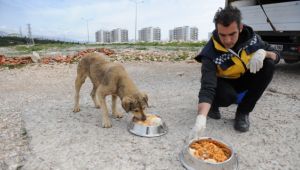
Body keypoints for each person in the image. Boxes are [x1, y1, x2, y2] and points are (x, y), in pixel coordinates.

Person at [189, 6, 280, 139]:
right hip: (222, 83)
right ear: (217, 30)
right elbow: (207, 86)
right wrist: (200, 118)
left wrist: (265, 53)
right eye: (222, 35)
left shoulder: (253, 39)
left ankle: (243, 112)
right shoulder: (209, 52)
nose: (227, 40)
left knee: (269, 65)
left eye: (232, 34)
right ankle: (213, 105)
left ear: (240, 28)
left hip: (242, 78)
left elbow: (277, 56)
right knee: (227, 97)